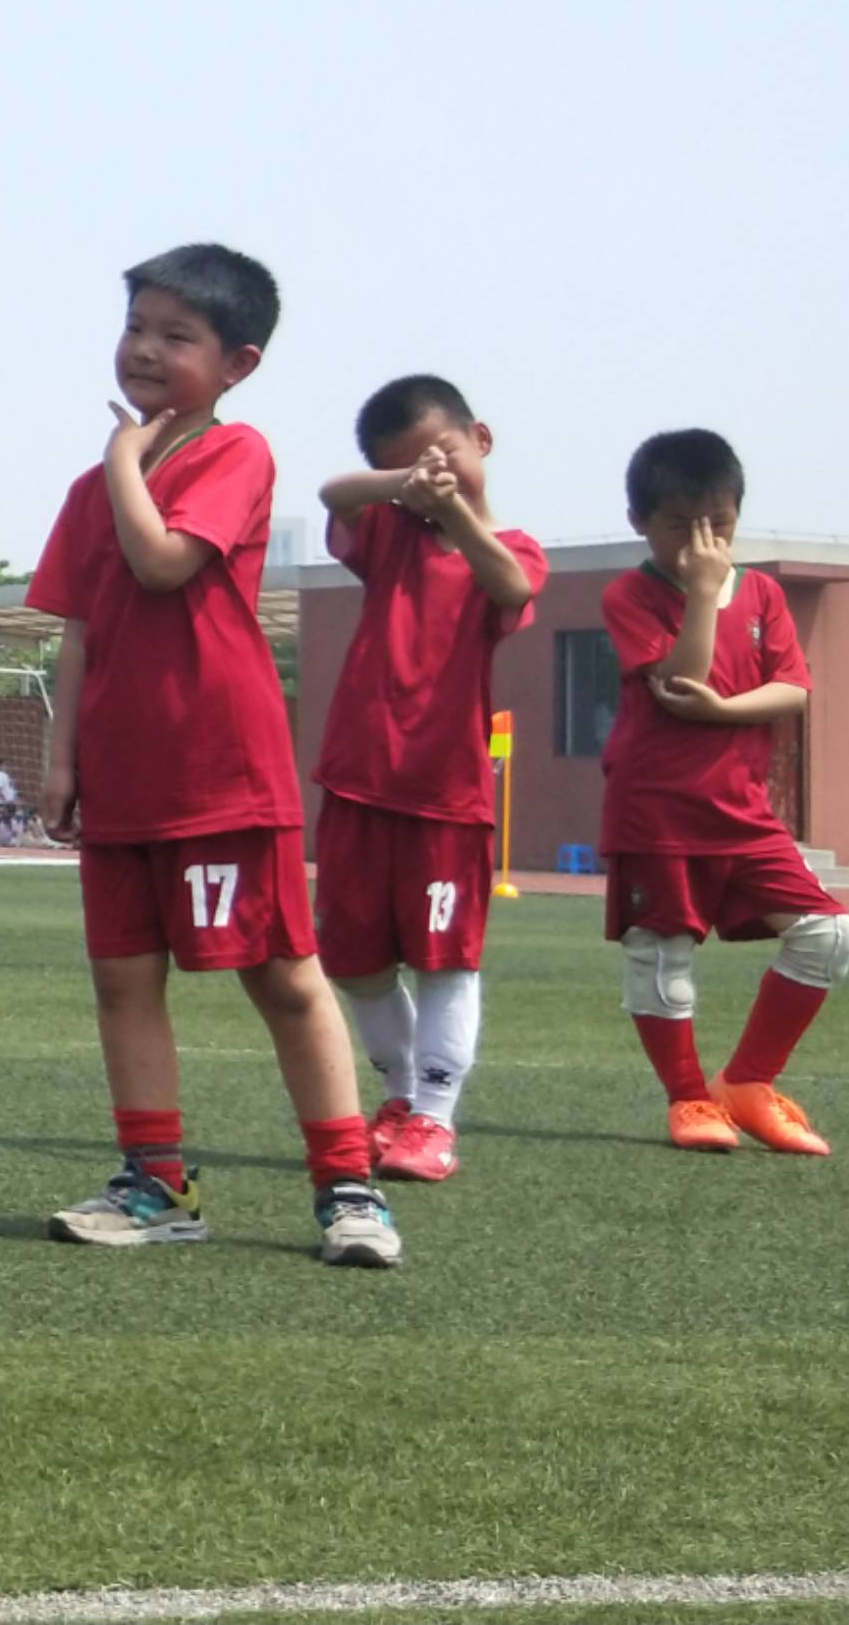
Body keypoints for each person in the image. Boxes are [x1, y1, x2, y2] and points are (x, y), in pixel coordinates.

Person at [28, 245, 399, 1269]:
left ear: (237, 364)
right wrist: (62, 761)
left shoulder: (236, 454)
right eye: (136, 326)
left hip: (220, 775)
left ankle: (349, 1188)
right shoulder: (89, 490)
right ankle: (156, 1184)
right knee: (123, 980)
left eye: (175, 335)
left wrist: (123, 462)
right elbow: (80, 631)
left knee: (282, 979)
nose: (144, 349)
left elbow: (160, 563)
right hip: (124, 779)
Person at [309, 374, 545, 1183]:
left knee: (446, 959)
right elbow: (332, 493)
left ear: (482, 439)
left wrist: (455, 513)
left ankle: (436, 1119)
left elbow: (511, 588)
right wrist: (399, 486)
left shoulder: (511, 548)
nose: (432, 474)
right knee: (353, 960)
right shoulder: (390, 532)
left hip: (446, 796)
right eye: (411, 466)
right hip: (356, 783)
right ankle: (401, 1096)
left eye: (442, 453)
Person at [599, 430, 849, 1158]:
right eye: (681, 524)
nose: (703, 541)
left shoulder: (764, 593)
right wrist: (706, 594)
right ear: (639, 521)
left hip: (743, 812)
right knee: (661, 954)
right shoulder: (629, 594)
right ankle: (689, 1098)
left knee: (829, 933)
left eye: (720, 522)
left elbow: (793, 689)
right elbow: (683, 681)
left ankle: (747, 1082)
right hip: (656, 813)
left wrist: (724, 711)